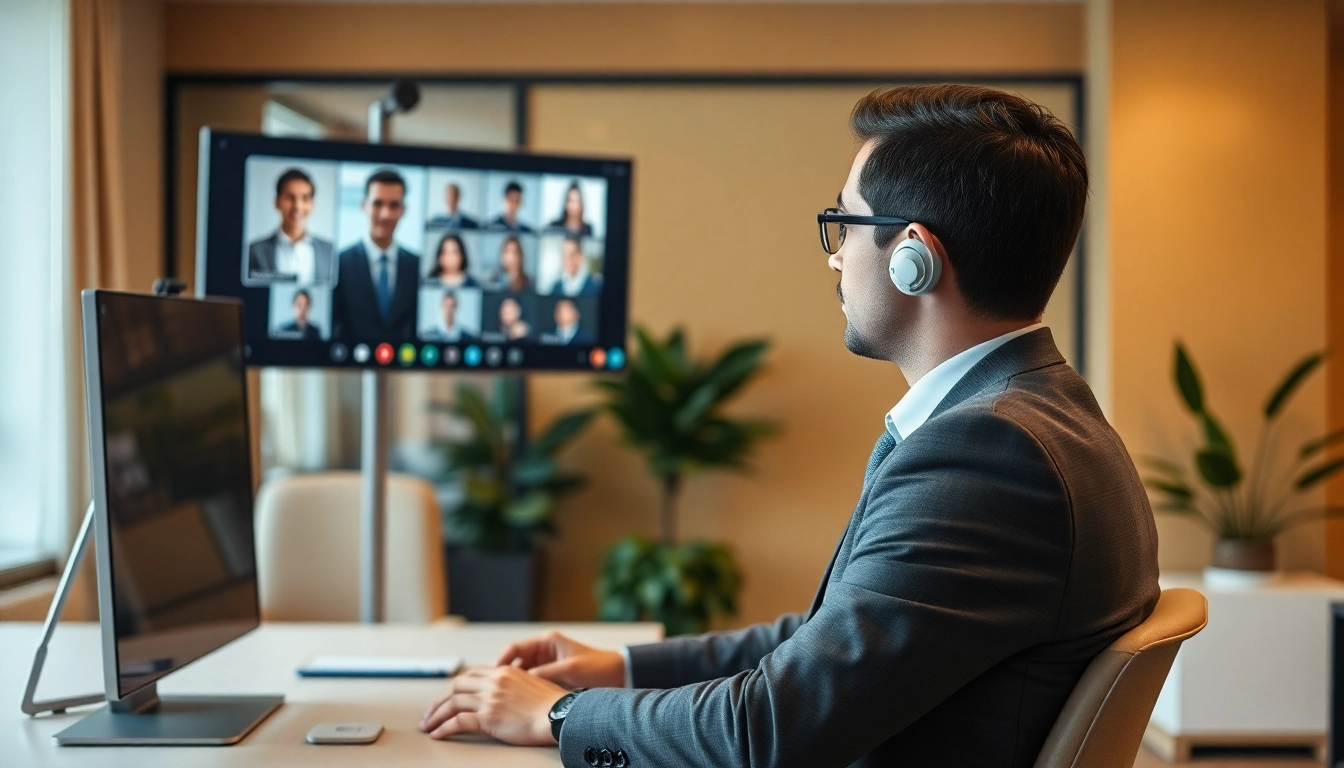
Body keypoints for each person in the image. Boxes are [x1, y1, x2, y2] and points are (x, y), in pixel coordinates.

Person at [416, 84, 1161, 768]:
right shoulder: (1044, 413)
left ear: (914, 259)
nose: (835, 261)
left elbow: (768, 729)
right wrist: (625, 667)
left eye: (844, 224)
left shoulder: (988, 454)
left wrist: (560, 715)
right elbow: (830, 641)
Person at [330, 169, 421, 341]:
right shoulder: (338, 264)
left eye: (394, 205)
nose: (385, 214)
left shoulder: (418, 266)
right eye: (378, 204)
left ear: (403, 210)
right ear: (364, 205)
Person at [246, 168, 335, 284]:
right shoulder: (255, 251)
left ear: (312, 204)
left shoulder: (330, 252)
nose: (297, 206)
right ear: (277, 202)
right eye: (290, 198)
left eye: (305, 198)